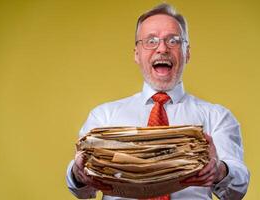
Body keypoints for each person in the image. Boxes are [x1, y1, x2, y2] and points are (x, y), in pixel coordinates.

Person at [66, 3, 250, 200]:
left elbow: (236, 190)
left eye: (174, 41)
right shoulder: (103, 116)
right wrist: (78, 173)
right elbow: (83, 192)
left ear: (187, 53)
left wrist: (220, 170)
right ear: (137, 54)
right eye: (151, 41)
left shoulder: (217, 116)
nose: (162, 48)